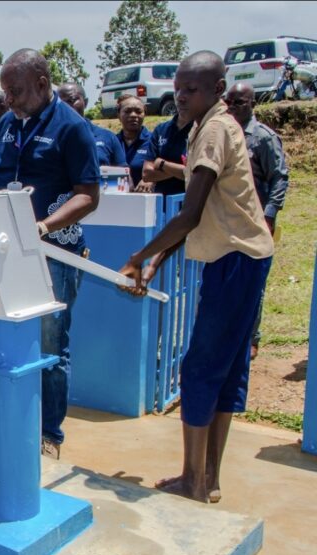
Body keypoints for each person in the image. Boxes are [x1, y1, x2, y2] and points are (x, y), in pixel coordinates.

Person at [118, 51, 274, 504]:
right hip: (246, 258)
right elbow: (206, 209)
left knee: (201, 367)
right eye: (178, 88)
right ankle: (209, 478)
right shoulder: (220, 127)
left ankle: (194, 481)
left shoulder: (211, 132)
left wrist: (139, 255)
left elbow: (189, 213)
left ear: (217, 91)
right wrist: (157, 262)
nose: (181, 97)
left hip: (235, 262)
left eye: (192, 89)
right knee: (225, 371)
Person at [0, 49, 100, 459]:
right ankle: (10, 422)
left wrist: (44, 226)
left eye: (16, 91)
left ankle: (49, 434)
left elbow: (88, 196)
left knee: (52, 346)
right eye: (5, 92)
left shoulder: (73, 128)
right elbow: (1, 180)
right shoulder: (6, 124)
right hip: (8, 254)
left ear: (41, 83)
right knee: (8, 340)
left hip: (56, 254)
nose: (10, 100)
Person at [225, 82, 289, 360]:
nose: (233, 107)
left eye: (239, 102)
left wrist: (270, 215)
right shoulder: (226, 135)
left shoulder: (263, 138)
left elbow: (279, 177)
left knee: (254, 283)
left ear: (252, 104)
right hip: (227, 222)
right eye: (229, 102)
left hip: (257, 222)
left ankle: (252, 338)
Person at [57, 83, 127, 167]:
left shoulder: (108, 137)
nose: (66, 106)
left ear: (85, 102)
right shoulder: (49, 137)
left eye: (71, 100)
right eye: (61, 103)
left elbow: (124, 174)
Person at [141, 111, 193, 198]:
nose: (182, 98)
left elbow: (195, 175)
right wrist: (181, 170)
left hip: (188, 201)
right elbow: (147, 174)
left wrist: (162, 164)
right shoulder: (161, 129)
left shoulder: (201, 130)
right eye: (178, 96)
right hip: (162, 203)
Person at [116, 94, 153, 191]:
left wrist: (151, 179)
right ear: (118, 115)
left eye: (138, 111)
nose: (133, 115)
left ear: (144, 114)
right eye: (127, 111)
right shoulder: (112, 141)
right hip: (116, 200)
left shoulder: (154, 141)